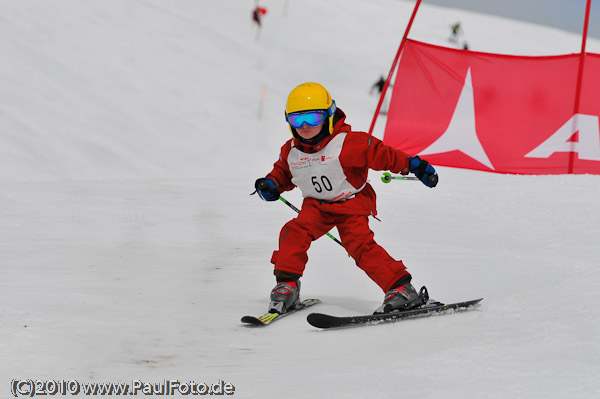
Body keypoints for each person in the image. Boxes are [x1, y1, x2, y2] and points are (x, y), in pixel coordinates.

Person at [253, 82, 438, 315]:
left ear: (329, 115)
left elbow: (384, 155)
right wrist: (272, 184)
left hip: (351, 204)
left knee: (359, 245)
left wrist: (415, 165)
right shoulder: (291, 150)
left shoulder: (349, 143)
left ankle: (401, 289)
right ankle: (287, 285)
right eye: (297, 120)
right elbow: (284, 172)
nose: (305, 126)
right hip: (316, 207)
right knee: (293, 231)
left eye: (313, 118)